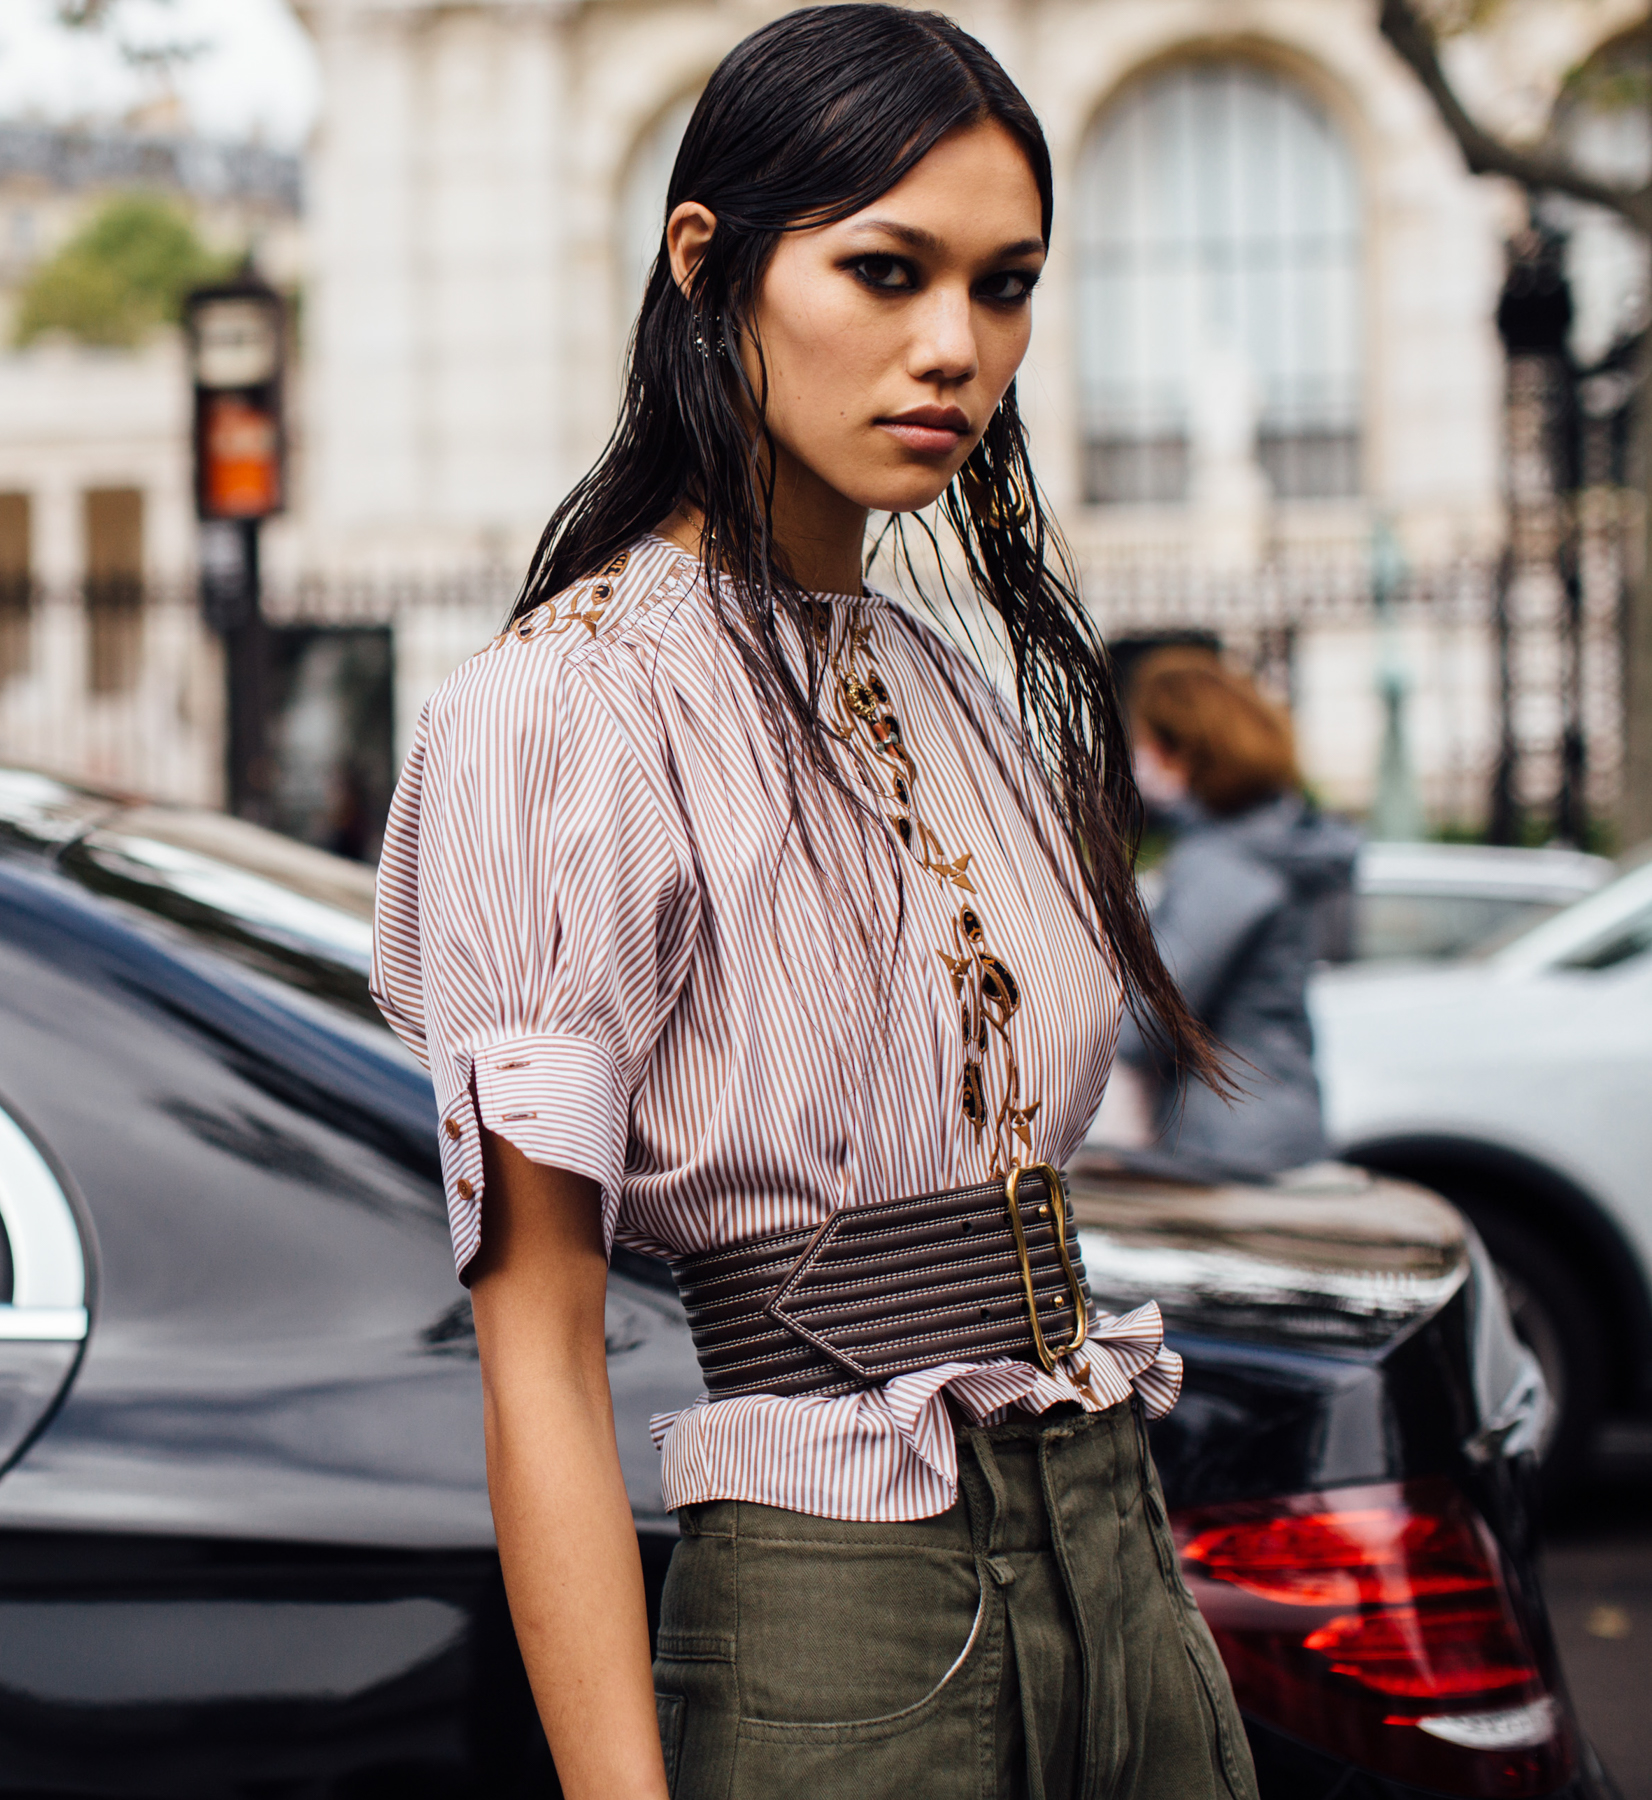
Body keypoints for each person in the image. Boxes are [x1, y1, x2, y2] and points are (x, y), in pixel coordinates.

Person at [368, 9, 1255, 1799]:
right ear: (710, 262)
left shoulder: (950, 680)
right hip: (844, 1611)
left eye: (1004, 286)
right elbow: (535, 1356)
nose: (955, 347)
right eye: (885, 268)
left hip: (1114, 1556)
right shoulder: (566, 711)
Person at [1118, 647, 1359, 1178]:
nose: (1137, 761)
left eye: (1148, 742)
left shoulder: (1227, 863)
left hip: (1229, 1141)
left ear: (1187, 751)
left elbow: (1150, 1020)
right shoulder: (1276, 840)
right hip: (1271, 1121)